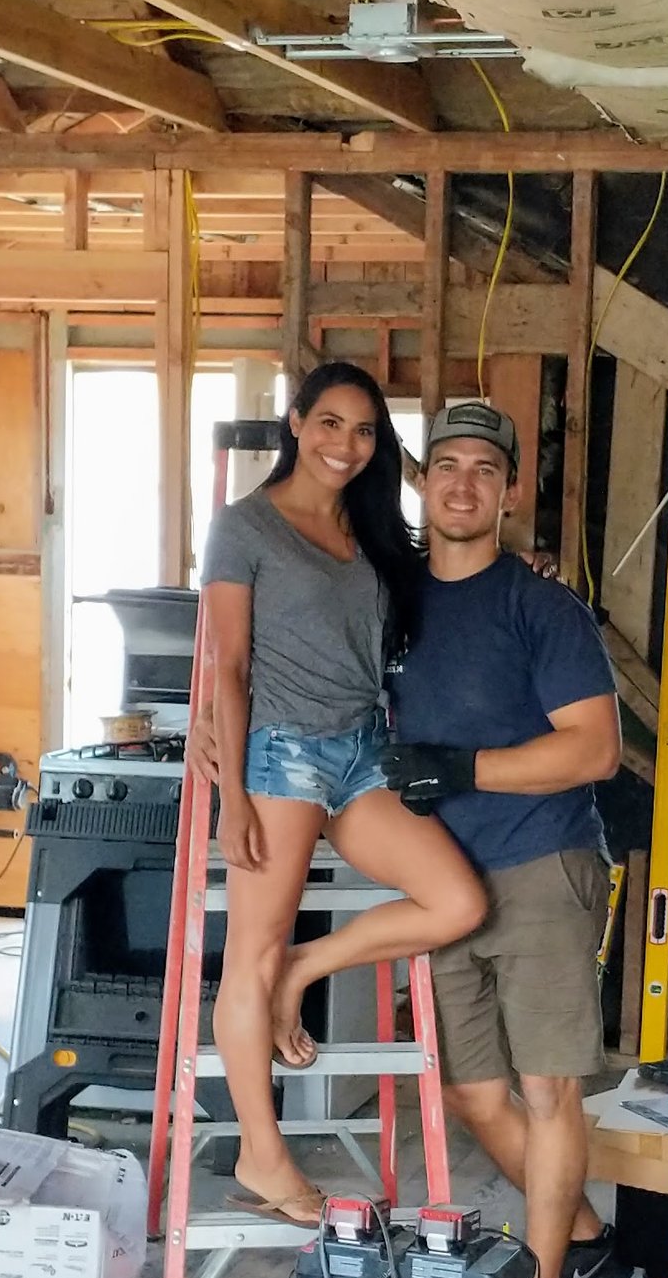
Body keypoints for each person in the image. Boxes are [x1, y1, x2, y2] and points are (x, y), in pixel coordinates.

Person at [197, 361, 484, 1230]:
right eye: (329, 423)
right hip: (280, 755)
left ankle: (306, 969)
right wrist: (235, 796)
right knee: (248, 951)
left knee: (457, 900)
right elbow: (231, 663)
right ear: (295, 422)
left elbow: (437, 589)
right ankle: (262, 1151)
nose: (345, 445)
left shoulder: (371, 530)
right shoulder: (244, 527)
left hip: (361, 750)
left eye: (363, 432)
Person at [379, 396, 626, 1278]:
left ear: (509, 491)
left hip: (539, 864)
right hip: (441, 881)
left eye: (486, 468)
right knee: (479, 1098)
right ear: (425, 482)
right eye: (448, 465)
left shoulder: (542, 608)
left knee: (547, 1086)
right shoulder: (393, 599)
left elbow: (595, 748)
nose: (464, 483)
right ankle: (594, 1235)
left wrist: (466, 769)